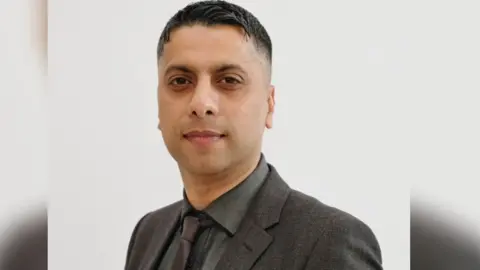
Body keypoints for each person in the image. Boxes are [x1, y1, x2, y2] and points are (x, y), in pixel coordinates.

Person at [124, 1, 383, 269]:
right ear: (158, 104)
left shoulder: (330, 241)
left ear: (269, 104)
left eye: (229, 80)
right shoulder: (148, 233)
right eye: (180, 81)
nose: (201, 103)